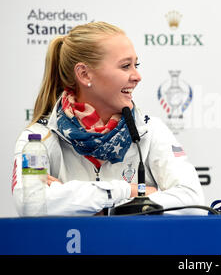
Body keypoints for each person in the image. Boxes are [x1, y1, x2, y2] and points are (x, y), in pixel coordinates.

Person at [12, 21, 204, 216]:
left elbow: (192, 200)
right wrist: (127, 191)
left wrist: (104, 209)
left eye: (135, 65)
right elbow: (31, 206)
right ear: (85, 74)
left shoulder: (151, 130)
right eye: (125, 66)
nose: (137, 76)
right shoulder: (37, 139)